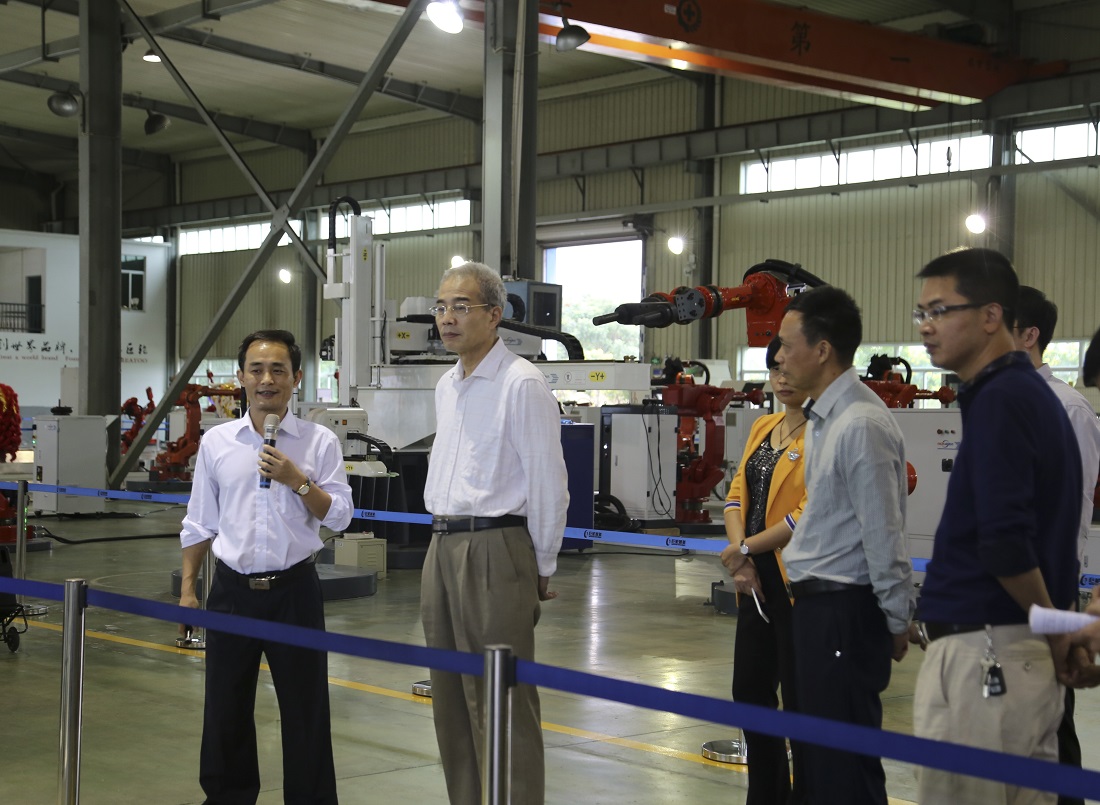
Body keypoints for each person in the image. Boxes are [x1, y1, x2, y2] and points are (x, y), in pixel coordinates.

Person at [912, 249, 1081, 805]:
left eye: (940, 310)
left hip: (986, 655)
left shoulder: (1003, 399)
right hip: (1015, 652)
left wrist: (1056, 633)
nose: (927, 328)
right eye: (921, 313)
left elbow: (1006, 543)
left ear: (990, 316)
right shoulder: (1024, 394)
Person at [179, 329, 353, 805]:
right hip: (231, 593)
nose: (267, 379)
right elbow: (199, 522)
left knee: (306, 709)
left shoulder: (319, 442)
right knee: (225, 708)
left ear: (297, 378)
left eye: (278, 369)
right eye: (256, 369)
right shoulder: (217, 443)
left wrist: (298, 482)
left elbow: (340, 515)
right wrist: (189, 592)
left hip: (294, 591)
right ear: (240, 378)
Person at [420, 262, 569, 805]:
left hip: (495, 547)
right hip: (442, 544)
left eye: (461, 307)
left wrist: (542, 563)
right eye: (441, 307)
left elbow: (548, 479)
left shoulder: (521, 383)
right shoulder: (447, 384)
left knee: (501, 700)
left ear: (494, 314)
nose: (448, 318)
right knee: (451, 698)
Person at [774, 286, 913, 805]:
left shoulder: (861, 425)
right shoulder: (826, 420)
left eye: (788, 345)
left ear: (823, 349)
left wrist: (896, 620)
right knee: (815, 764)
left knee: (844, 772)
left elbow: (884, 534)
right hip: (817, 610)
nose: (780, 357)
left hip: (844, 613)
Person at [1012, 286, 1100, 805]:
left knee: (1051, 721)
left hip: (1049, 587)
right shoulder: (995, 399)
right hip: (1005, 591)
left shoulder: (1070, 409)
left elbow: (1074, 512)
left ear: (1030, 335)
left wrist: (1060, 602)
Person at [721, 336, 809, 805]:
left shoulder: (824, 433)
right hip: (751, 582)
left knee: (799, 701)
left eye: (789, 366)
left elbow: (804, 516)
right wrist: (741, 554)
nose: (782, 376)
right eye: (774, 367)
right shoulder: (763, 425)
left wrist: (746, 549)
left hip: (796, 581)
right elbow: (735, 495)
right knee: (751, 694)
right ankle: (767, 795)